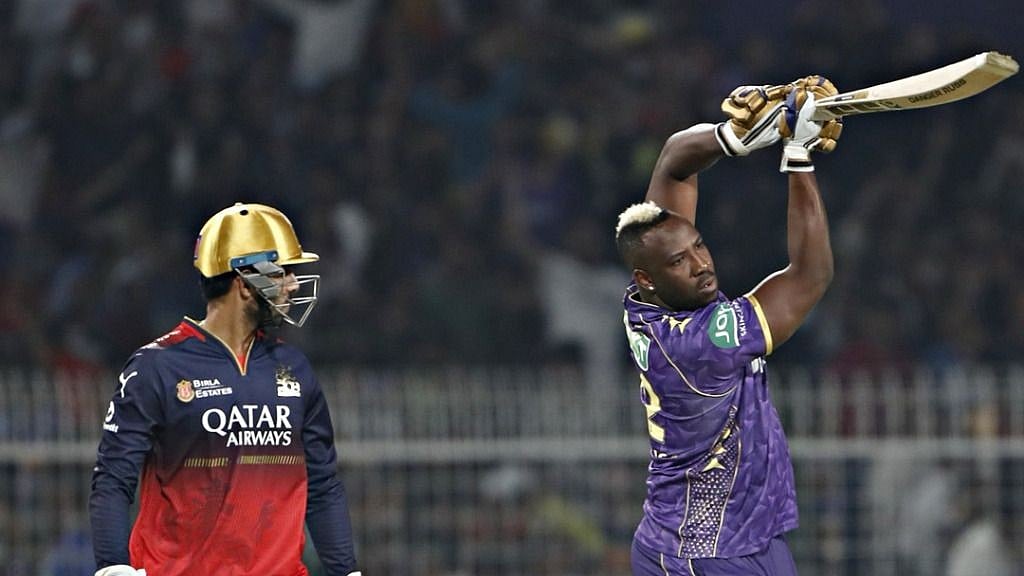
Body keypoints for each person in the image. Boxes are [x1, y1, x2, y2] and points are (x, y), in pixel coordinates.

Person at [615, 77, 842, 576]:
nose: (700, 264)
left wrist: (738, 136)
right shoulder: (704, 342)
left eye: (699, 244)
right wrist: (797, 153)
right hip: (699, 551)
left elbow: (675, 158)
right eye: (680, 260)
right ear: (647, 277)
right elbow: (811, 273)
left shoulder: (646, 300)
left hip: (748, 536)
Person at [89, 203, 361, 576]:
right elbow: (113, 477)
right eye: (284, 273)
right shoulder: (157, 368)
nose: (294, 285)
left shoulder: (296, 369)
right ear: (244, 283)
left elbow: (323, 485)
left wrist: (346, 571)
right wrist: (113, 567)